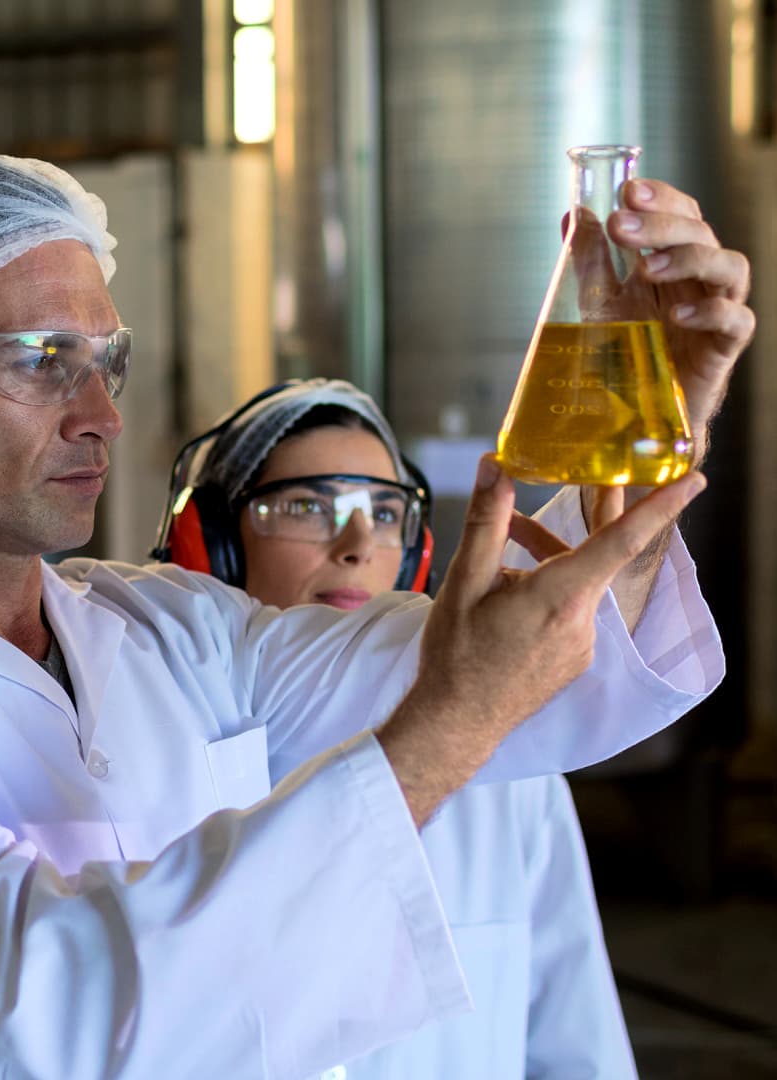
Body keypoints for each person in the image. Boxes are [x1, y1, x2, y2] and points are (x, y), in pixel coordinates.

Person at [0, 154, 751, 1080]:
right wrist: (443, 730)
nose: (102, 416)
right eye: (40, 362)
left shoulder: (178, 629)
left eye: (107, 362)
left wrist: (648, 421)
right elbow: (59, 1020)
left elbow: (506, 661)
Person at [153, 378, 638, 1077]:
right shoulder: (157, 762)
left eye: (383, 513)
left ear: (415, 554)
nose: (356, 544)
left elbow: (577, 1047)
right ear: (214, 549)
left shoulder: (507, 772)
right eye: (305, 506)